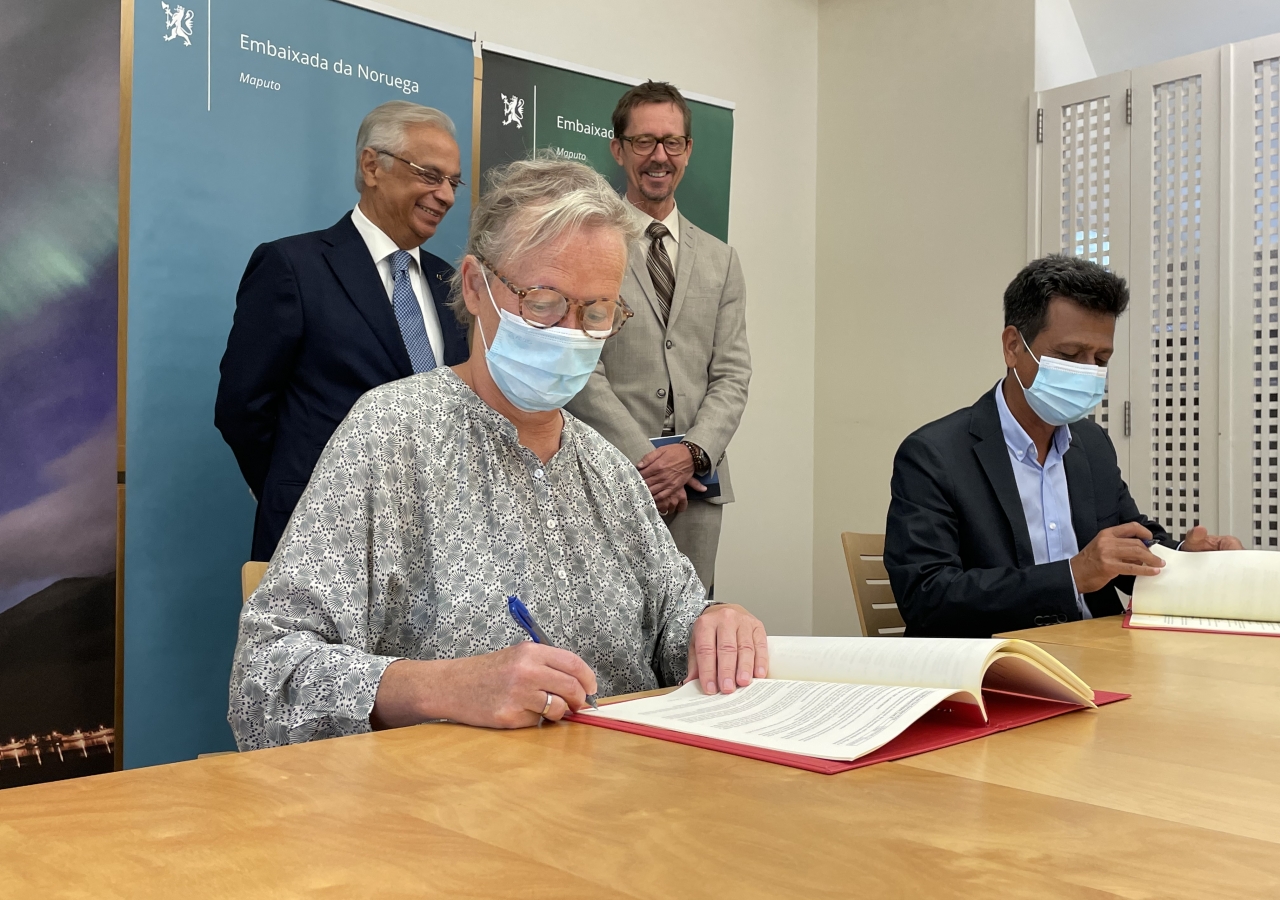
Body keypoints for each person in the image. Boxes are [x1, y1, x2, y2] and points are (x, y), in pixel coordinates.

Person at [228, 157, 769, 750]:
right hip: (449, 816)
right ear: (473, 286)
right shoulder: (391, 436)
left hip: (616, 806)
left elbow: (675, 626)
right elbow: (265, 680)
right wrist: (441, 687)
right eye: (543, 302)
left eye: (597, 312)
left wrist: (714, 624)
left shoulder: (607, 469)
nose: (571, 331)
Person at [884, 256, 1242, 638]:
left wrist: (1190, 561)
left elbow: (1131, 543)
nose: (1087, 371)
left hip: (1103, 652)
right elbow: (926, 597)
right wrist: (1071, 576)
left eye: (1101, 359)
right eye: (1070, 355)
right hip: (999, 660)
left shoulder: (1092, 444)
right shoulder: (934, 454)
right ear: (1012, 347)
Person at [215, 101, 470, 562]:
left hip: (434, 542)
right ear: (372, 166)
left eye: (453, 182)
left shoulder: (449, 284)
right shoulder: (293, 267)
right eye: (430, 176)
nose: (447, 196)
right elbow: (242, 406)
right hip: (319, 536)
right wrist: (293, 486)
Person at [565, 81, 750, 594]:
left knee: (692, 643)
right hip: (613, 479)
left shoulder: (722, 260)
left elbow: (732, 374)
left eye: (672, 141)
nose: (658, 156)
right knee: (613, 642)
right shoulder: (589, 246)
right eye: (643, 141)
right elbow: (583, 368)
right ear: (617, 149)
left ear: (688, 150)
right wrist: (648, 463)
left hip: (697, 490)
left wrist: (690, 454)